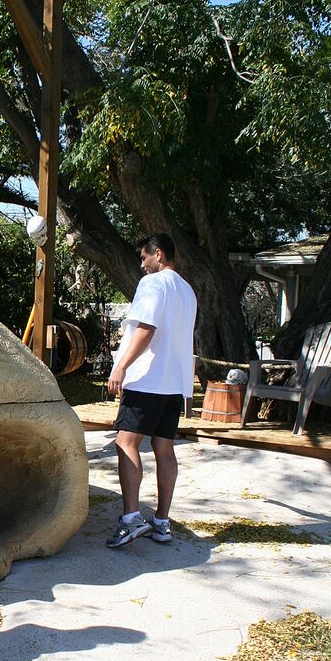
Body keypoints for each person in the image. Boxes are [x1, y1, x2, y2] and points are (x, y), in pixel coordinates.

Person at [105, 233, 197, 548]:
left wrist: (121, 367)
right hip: (174, 384)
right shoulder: (187, 291)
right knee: (164, 450)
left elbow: (146, 329)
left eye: (144, 258)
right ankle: (161, 522)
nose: (142, 266)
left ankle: (131, 519)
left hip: (147, 380)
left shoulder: (153, 284)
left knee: (125, 442)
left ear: (158, 254)